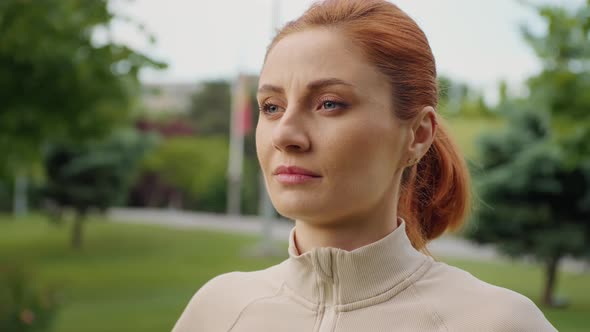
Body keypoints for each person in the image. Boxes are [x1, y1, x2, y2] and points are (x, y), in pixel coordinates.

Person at [172, 0, 557, 331]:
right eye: (272, 107)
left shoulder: (499, 323)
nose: (285, 134)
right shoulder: (217, 312)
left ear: (418, 135)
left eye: (329, 103)